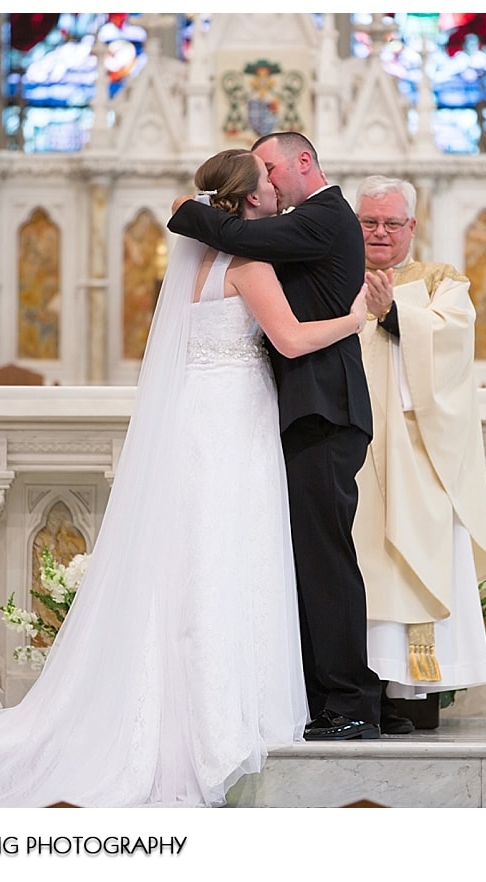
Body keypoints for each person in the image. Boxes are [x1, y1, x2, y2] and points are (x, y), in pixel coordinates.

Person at [0, 149, 367, 808]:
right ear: (250, 200)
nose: (279, 192)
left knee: (186, 558)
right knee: (231, 555)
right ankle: (227, 717)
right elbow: (288, 341)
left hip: (197, 415)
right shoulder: (251, 266)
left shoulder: (193, 265)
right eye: (269, 185)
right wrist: (357, 316)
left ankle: (177, 705)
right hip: (235, 420)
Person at [168, 131, 382, 740]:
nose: (267, 182)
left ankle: (351, 702)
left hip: (322, 411)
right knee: (298, 559)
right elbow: (239, 242)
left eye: (270, 166)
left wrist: (188, 210)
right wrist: (354, 319)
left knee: (324, 558)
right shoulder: (275, 238)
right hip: (285, 410)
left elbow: (238, 237)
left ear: (303, 161)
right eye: (256, 174)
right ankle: (323, 694)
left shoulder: (323, 217)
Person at [351, 176, 486, 735]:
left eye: (392, 223)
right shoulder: (332, 275)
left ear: (413, 226)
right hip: (352, 454)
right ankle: (353, 687)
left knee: (407, 564)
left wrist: (392, 315)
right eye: (369, 222)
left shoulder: (440, 281)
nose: (381, 232)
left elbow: (453, 342)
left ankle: (407, 694)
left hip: (416, 457)